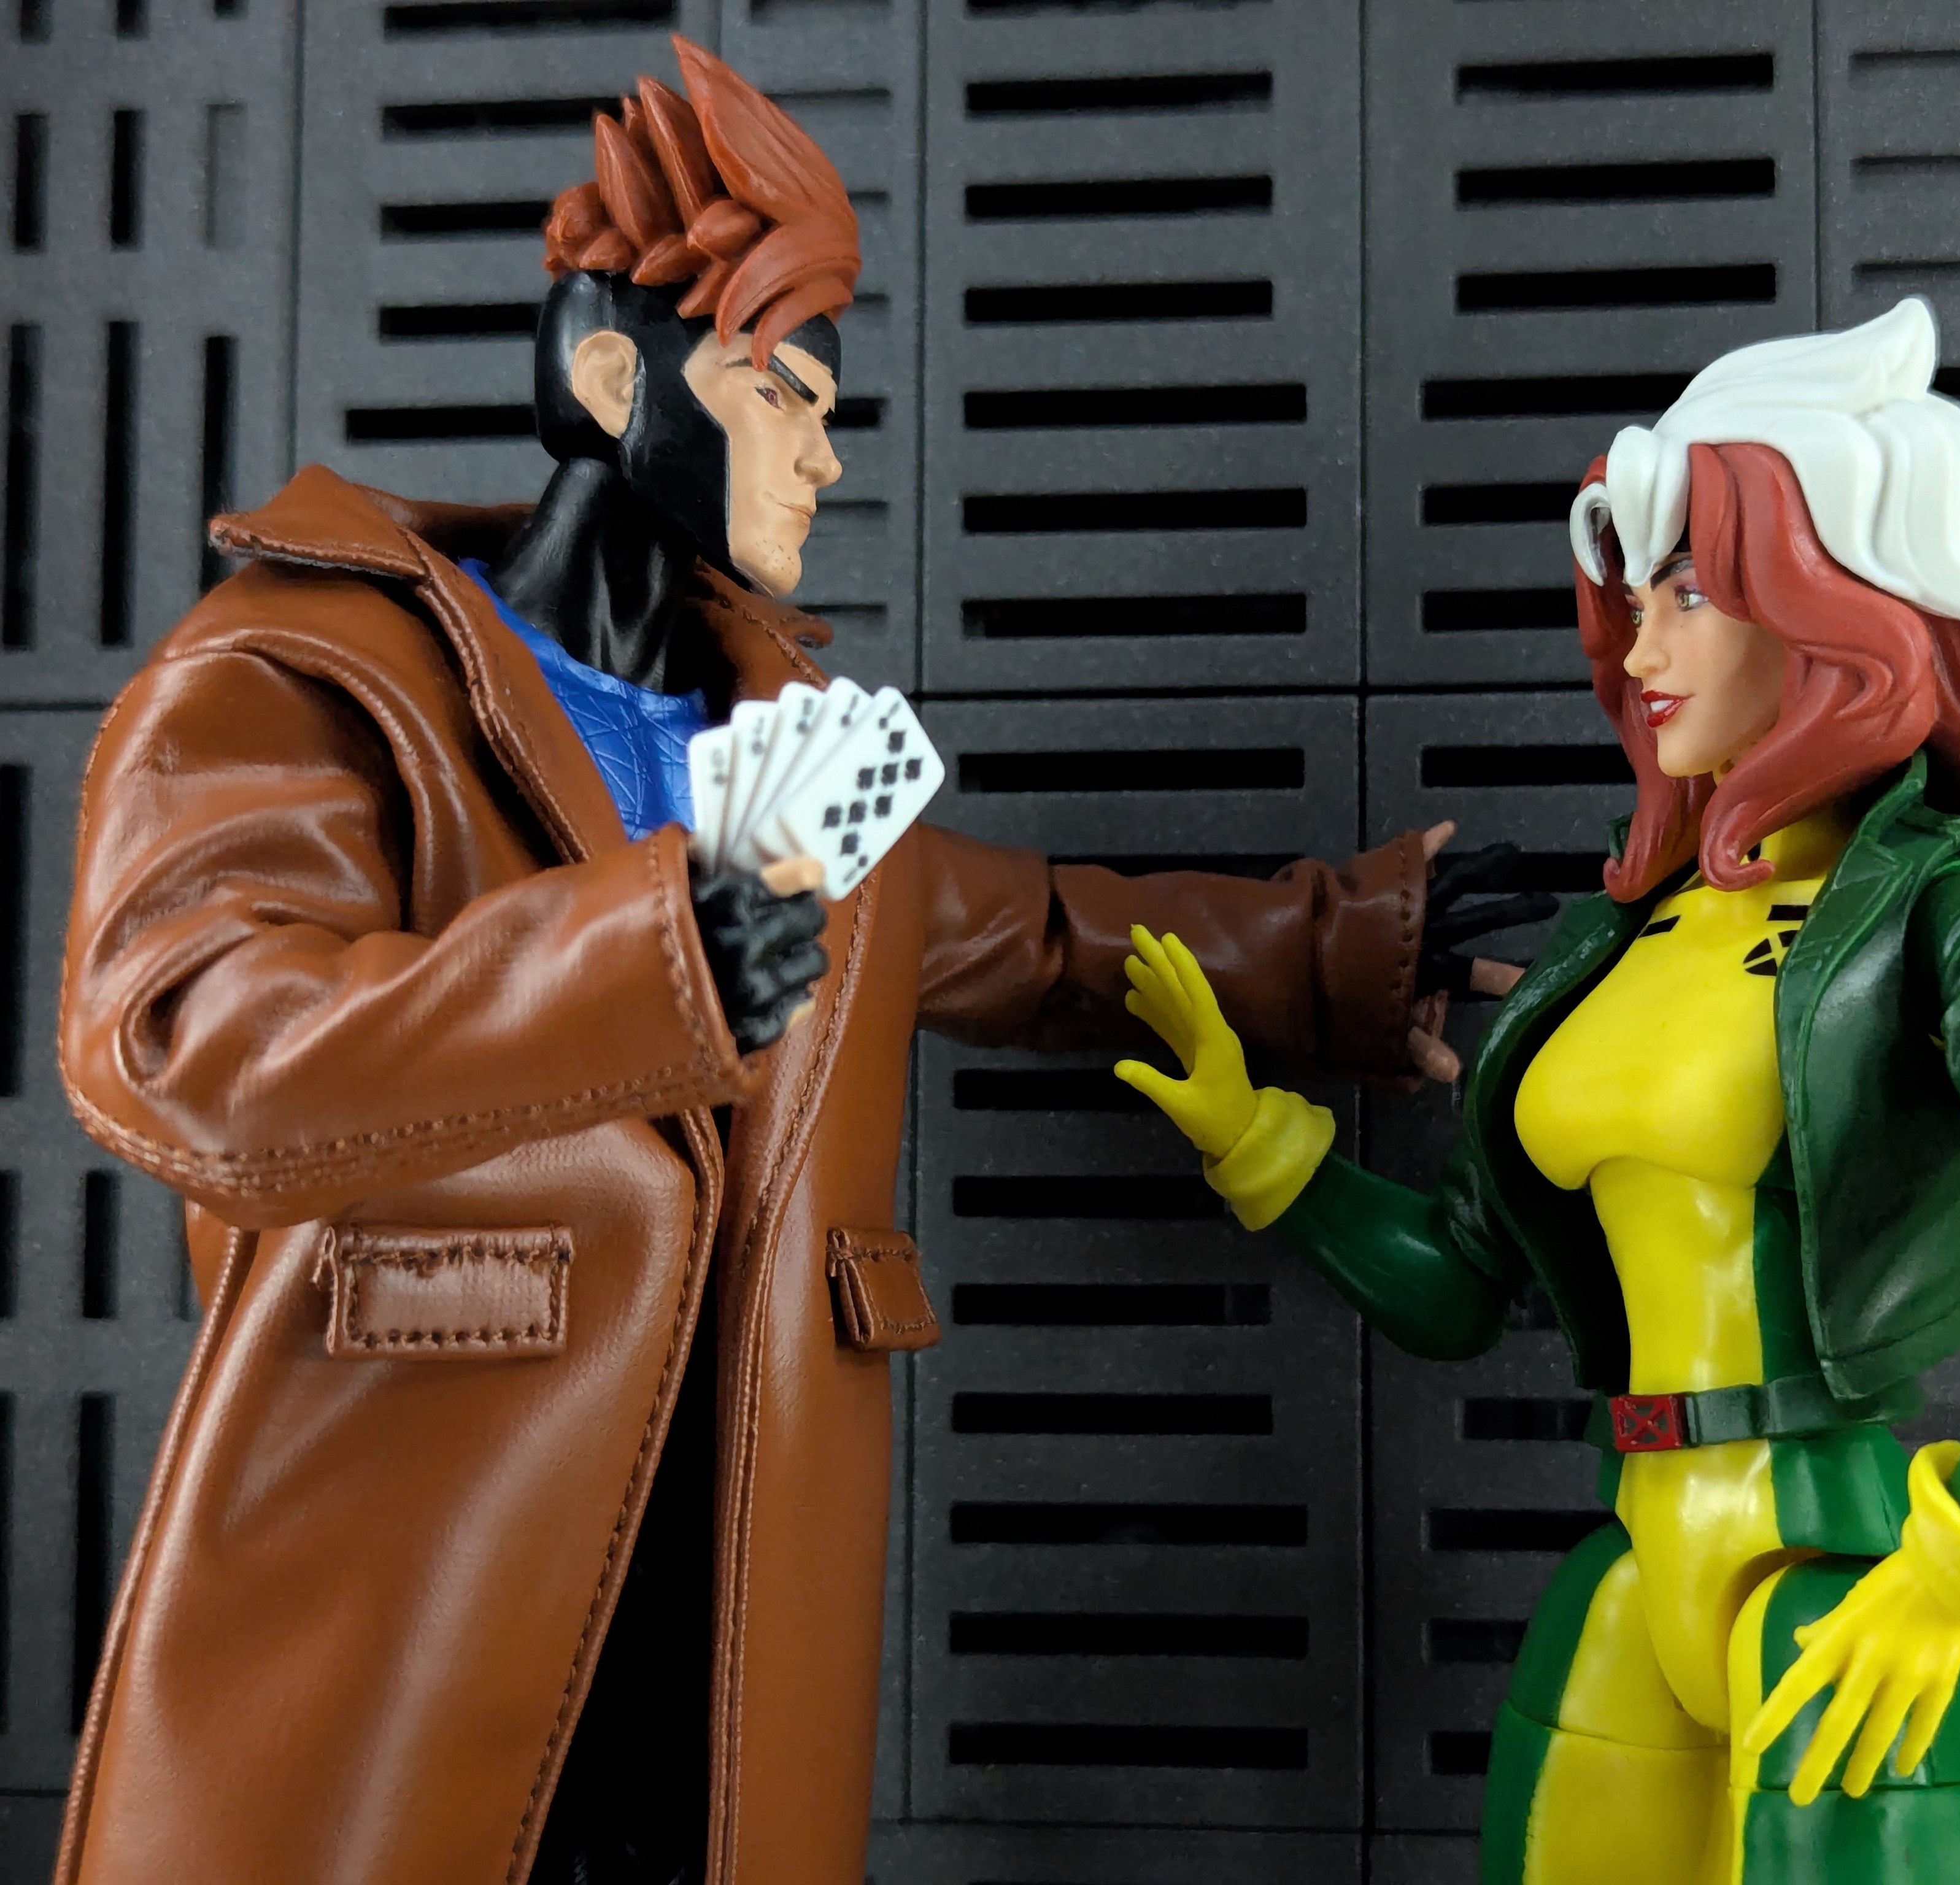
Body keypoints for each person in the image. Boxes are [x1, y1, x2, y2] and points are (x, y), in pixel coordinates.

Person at [50, 40, 1538, 1885]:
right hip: (430, 1517)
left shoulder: (781, 731)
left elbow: (1030, 934)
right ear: (616, 382)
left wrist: (1335, 953)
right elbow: (192, 1041)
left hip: (742, 1528)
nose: (825, 452)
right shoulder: (314, 674)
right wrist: (654, 955)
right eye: (780, 393)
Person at [1112, 299, 1960, 1883]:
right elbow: (1463, 1283)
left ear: (1838, 610)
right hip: (1636, 1559)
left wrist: (1959, 1570)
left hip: (1840, 1576)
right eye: (1637, 599)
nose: (1641, 653)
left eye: (1692, 593)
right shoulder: (1618, 937)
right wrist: (1261, 1148)